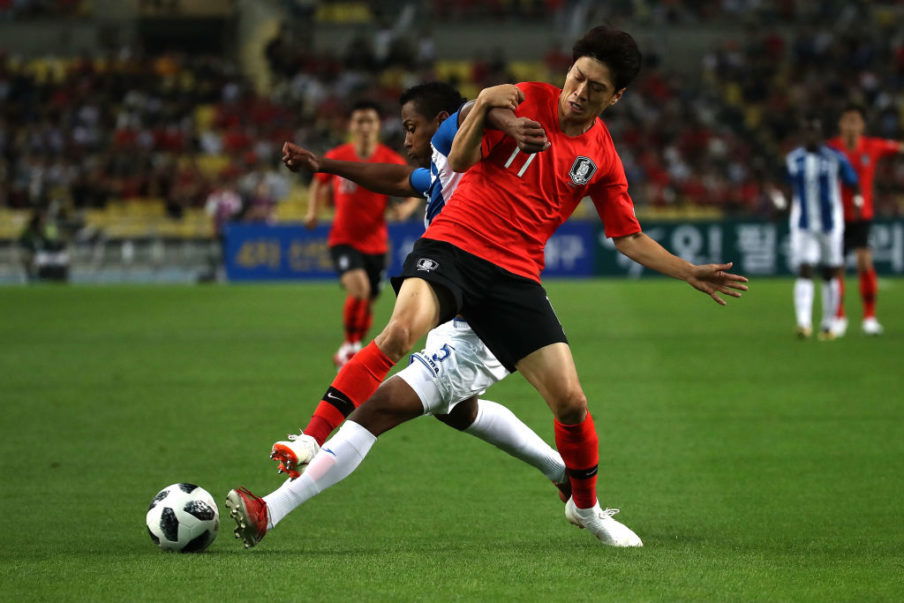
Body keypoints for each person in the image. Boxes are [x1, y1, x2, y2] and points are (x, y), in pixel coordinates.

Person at [227, 25, 748, 549]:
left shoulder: (603, 157)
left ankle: (584, 507)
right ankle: (307, 444)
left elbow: (628, 236)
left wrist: (689, 271)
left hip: (514, 277)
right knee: (399, 339)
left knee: (568, 401)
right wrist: (494, 111)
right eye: (577, 76)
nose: (579, 91)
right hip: (451, 249)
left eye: (595, 88)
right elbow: (457, 153)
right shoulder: (529, 97)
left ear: (616, 97)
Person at [305, 100, 421, 367]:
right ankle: (350, 346)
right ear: (352, 126)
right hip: (343, 239)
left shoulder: (389, 159)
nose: (365, 126)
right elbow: (318, 181)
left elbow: (415, 183)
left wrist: (406, 209)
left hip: (377, 243)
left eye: (370, 121)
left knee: (368, 298)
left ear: (377, 126)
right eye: (360, 121)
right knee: (359, 290)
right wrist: (313, 211)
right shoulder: (339, 154)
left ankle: (354, 344)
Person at [826, 104, 903, 336]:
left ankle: (869, 317)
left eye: (855, 120)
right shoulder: (831, 148)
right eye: (847, 120)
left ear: (862, 125)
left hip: (862, 216)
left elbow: (899, 148)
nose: (851, 125)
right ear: (840, 124)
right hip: (836, 216)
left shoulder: (873, 146)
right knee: (836, 267)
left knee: (864, 262)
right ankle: (838, 317)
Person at [785, 116, 860, 340]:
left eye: (814, 132)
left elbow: (852, 182)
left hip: (830, 224)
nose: (810, 136)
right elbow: (786, 185)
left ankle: (828, 324)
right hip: (803, 223)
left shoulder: (835, 158)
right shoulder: (793, 159)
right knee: (805, 268)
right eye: (806, 132)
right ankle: (803, 323)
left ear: (821, 135)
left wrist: (857, 201)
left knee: (830, 272)